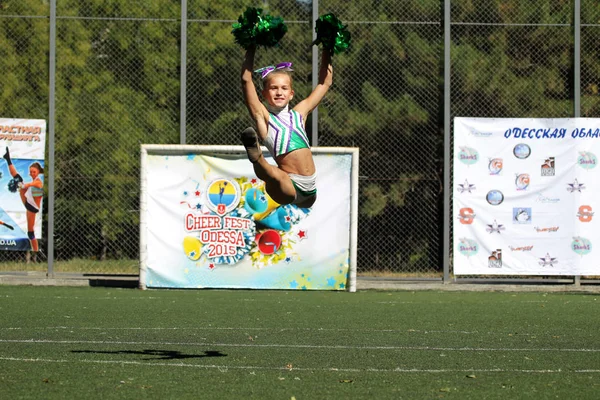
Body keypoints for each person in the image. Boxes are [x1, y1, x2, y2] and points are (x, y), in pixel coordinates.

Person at [240, 44, 333, 209]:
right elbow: (246, 80)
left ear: (291, 94)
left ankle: (259, 160)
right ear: (264, 94)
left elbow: (325, 83)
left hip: (310, 189)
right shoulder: (265, 118)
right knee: (276, 175)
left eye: (284, 88)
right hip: (287, 186)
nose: (279, 92)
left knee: (278, 177)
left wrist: (327, 48)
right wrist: (251, 46)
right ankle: (257, 156)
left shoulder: (299, 114)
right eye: (273, 88)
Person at [2, 147, 44, 251]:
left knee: (31, 233)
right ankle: (7, 159)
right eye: (31, 172)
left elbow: (33, 184)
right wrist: (21, 185)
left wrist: (23, 186)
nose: (32, 173)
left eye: (34, 171)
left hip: (32, 207)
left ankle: (35, 251)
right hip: (28, 202)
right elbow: (27, 185)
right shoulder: (32, 181)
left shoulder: (38, 181)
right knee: (18, 179)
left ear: (38, 172)